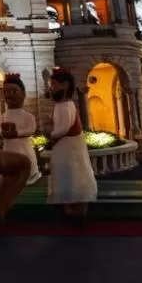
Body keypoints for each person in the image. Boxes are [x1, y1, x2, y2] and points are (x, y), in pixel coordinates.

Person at [45, 68, 98, 223]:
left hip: (71, 146)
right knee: (63, 174)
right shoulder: (60, 105)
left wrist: (50, 134)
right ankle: (67, 208)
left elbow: (64, 128)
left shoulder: (67, 105)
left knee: (75, 175)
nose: (52, 87)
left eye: (54, 84)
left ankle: (79, 209)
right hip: (63, 148)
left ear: (65, 85)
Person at [0, 74, 42, 185]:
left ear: (23, 94)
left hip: (23, 146)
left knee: (26, 160)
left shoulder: (27, 116)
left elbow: (31, 129)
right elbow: (0, 129)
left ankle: (29, 175)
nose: (9, 95)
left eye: (14, 92)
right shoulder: (3, 115)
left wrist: (17, 133)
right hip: (9, 146)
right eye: (7, 92)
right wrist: (4, 133)